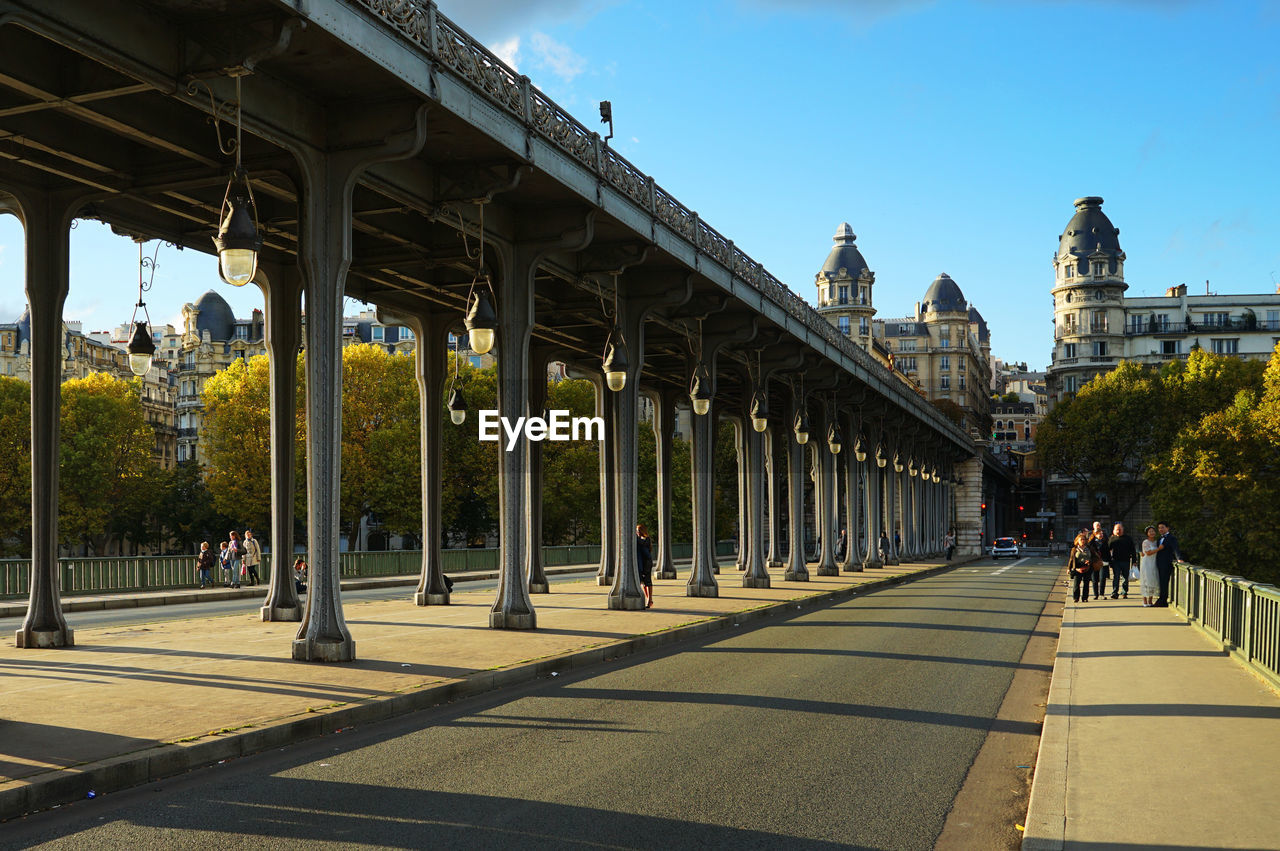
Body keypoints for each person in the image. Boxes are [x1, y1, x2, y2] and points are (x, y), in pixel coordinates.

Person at [1153, 521, 1180, 607]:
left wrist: (1179, 558)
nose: (1160, 529)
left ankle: (1162, 600)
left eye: (1162, 527)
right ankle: (1162, 599)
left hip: (1167, 563)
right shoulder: (1159, 539)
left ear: (1167, 528)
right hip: (1160, 563)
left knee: (1164, 582)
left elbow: (1175, 549)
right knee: (1161, 582)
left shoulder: (1171, 538)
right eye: (1159, 528)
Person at [1107, 522, 1137, 599]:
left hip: (1126, 561)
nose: (1118, 531)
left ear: (1123, 529)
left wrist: (1134, 561)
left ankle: (1124, 592)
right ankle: (1114, 592)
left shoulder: (1128, 538)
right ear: (1114, 530)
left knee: (1125, 578)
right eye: (1117, 529)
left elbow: (1133, 550)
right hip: (1115, 561)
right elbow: (1107, 550)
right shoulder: (1112, 539)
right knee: (1116, 577)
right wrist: (1109, 561)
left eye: (1120, 529)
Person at [1067, 533, 1093, 602]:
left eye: (1084, 539)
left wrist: (1089, 561)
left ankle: (1085, 597)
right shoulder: (1074, 549)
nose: (1082, 541)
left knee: (1086, 584)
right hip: (1077, 568)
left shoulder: (1089, 548)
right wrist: (1069, 568)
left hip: (1087, 568)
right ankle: (1076, 597)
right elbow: (1071, 559)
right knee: (1076, 584)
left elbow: (1093, 557)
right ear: (1077, 541)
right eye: (1081, 539)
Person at [1088, 522, 1110, 601]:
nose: (1101, 534)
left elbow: (1108, 552)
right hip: (1094, 562)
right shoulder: (1091, 542)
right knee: (1094, 579)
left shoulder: (1105, 542)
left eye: (1102, 533)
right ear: (1095, 534)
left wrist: (1109, 561)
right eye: (1099, 533)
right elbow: (1089, 552)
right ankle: (1095, 594)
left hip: (1103, 562)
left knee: (1102, 578)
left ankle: (1101, 594)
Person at [1139, 525, 1160, 607]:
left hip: (1154, 562)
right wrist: (1159, 549)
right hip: (1147, 563)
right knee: (1146, 580)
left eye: (1153, 531)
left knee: (1152, 579)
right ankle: (1144, 599)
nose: (1152, 533)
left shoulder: (1156, 542)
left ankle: (1150, 599)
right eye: (1150, 531)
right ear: (1147, 533)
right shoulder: (1145, 542)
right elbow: (1148, 552)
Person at [635, 524, 654, 609]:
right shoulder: (639, 539)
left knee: (647, 581)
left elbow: (641, 543)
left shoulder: (646, 539)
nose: (637, 532)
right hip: (641, 562)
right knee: (643, 582)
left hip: (647, 562)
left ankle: (650, 599)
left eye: (638, 531)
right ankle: (648, 599)